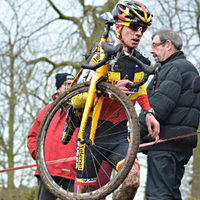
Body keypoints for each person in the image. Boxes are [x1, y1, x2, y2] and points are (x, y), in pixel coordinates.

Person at [74, 1, 160, 199]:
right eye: (134, 27)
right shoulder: (100, 56)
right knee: (86, 196)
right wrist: (109, 90)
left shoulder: (143, 61)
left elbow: (140, 89)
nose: (139, 33)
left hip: (120, 135)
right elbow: (78, 99)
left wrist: (148, 112)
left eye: (143, 29)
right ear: (119, 27)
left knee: (132, 182)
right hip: (91, 135)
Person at [138, 29, 199, 200]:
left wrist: (133, 133)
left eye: (155, 45)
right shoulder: (188, 68)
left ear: (168, 45)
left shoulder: (173, 68)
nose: (151, 50)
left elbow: (159, 105)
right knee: (171, 194)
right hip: (180, 145)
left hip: (165, 145)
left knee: (158, 196)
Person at [27, 73, 75, 200]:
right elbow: (32, 137)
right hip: (48, 170)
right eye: (68, 84)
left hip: (74, 172)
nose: (72, 87)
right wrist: (38, 155)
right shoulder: (45, 111)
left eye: (74, 84)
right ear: (59, 88)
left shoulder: (82, 110)